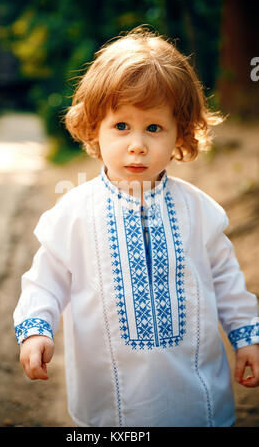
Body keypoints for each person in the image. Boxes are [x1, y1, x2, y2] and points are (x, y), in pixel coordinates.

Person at [13, 26, 259, 427]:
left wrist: (247, 335)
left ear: (181, 132)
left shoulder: (200, 212)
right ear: (95, 127)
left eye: (154, 128)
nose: (137, 145)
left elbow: (227, 280)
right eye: (121, 126)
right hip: (112, 403)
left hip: (198, 399)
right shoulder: (74, 213)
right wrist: (37, 328)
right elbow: (45, 281)